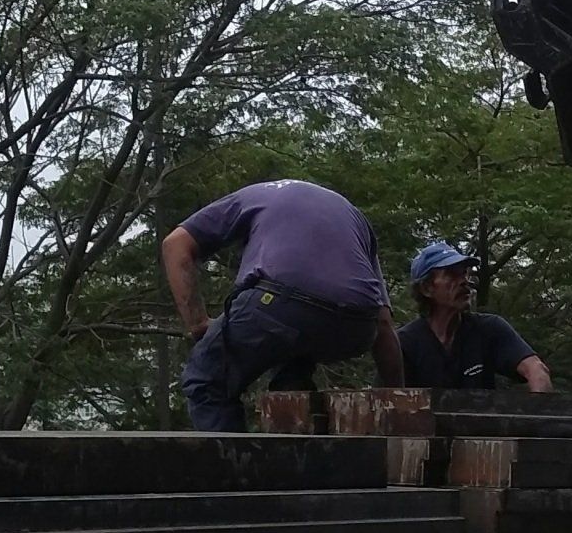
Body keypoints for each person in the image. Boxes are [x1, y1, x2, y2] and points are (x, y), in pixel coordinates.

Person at [162, 178, 404, 431]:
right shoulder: (353, 217)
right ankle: (297, 438)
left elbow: (175, 244)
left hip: (280, 305)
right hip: (357, 327)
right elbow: (384, 324)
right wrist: (398, 403)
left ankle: (234, 469)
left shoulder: (252, 197)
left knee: (206, 378)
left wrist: (198, 323)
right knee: (291, 365)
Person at [397, 243, 553, 393]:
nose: (465, 280)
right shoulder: (405, 343)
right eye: (451, 274)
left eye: (464, 273)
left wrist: (540, 414)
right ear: (426, 288)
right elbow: (389, 400)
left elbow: (536, 370)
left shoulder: (489, 328)